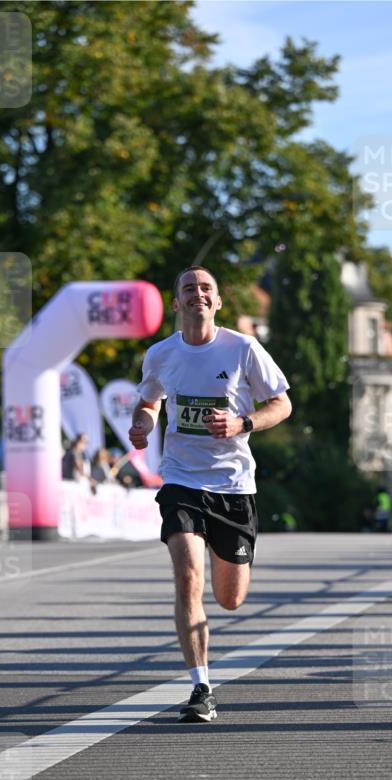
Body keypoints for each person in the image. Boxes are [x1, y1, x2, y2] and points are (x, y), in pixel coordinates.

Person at [129, 265, 291, 722]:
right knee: (187, 578)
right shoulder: (161, 354)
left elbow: (282, 403)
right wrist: (143, 423)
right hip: (181, 479)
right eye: (188, 289)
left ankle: (232, 570)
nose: (197, 294)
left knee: (230, 598)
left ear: (217, 301)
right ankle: (201, 687)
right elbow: (149, 400)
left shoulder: (243, 348)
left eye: (206, 288)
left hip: (234, 485)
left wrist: (244, 423)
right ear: (176, 303)